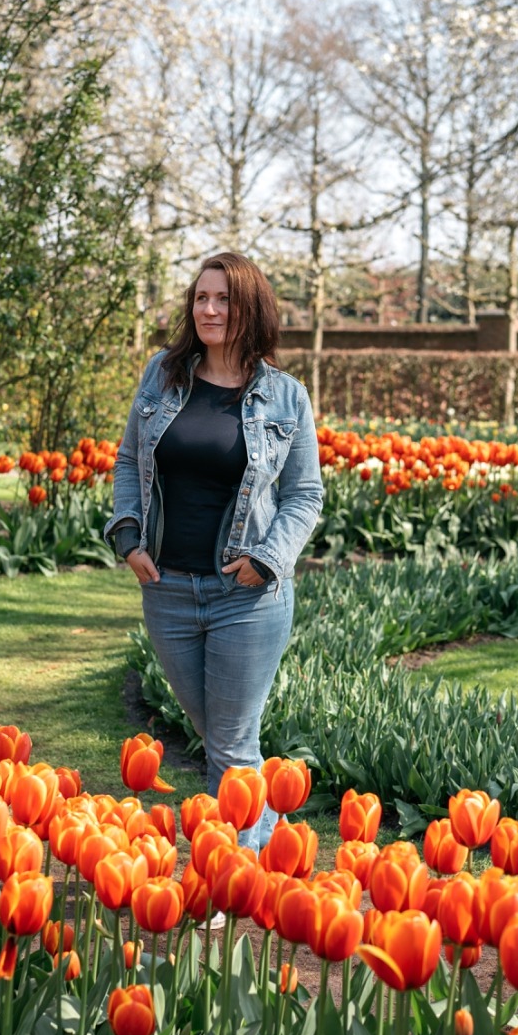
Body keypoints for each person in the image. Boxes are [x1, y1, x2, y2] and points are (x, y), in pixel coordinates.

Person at [104, 252, 324, 855]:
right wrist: (127, 535)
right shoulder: (162, 375)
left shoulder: (285, 396)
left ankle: (232, 880)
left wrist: (268, 559)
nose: (209, 309)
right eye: (201, 298)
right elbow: (128, 461)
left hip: (246, 596)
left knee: (228, 747)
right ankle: (274, 842)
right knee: (222, 736)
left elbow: (305, 495)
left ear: (249, 307)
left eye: (223, 299)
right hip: (168, 591)